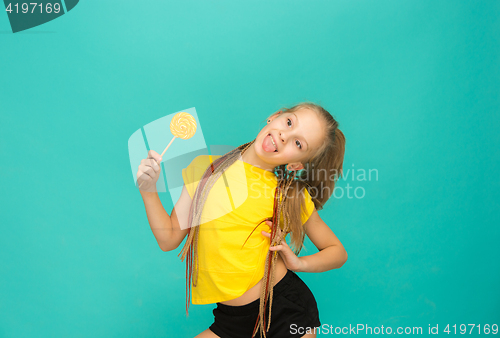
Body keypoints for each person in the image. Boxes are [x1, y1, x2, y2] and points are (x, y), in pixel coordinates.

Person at [137, 102, 348, 338]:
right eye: (289, 123)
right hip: (232, 320)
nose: (284, 135)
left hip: (284, 312)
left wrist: (299, 264)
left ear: (296, 164)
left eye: (298, 143)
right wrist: (149, 190)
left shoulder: (289, 194)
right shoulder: (205, 169)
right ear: (274, 117)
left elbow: (337, 252)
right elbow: (168, 239)